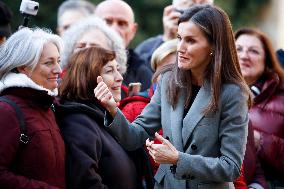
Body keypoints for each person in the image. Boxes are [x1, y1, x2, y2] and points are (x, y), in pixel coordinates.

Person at [94, 4, 251, 189]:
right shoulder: (169, 79)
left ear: (214, 46)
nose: (180, 48)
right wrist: (112, 109)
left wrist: (178, 159)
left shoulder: (233, 93)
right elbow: (134, 137)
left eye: (191, 41)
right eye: (179, 38)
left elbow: (231, 167)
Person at [55, 46, 137, 189]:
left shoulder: (102, 115)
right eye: (110, 71)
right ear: (88, 78)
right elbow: (85, 182)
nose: (120, 77)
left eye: (118, 69)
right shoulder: (77, 122)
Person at [0, 28, 65, 189]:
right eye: (49, 62)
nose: (58, 69)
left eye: (58, 61)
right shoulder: (6, 111)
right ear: (23, 67)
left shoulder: (49, 107)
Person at [235, 27, 284, 189]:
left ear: (267, 61)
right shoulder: (211, 92)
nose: (244, 56)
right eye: (238, 49)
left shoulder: (281, 97)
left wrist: (259, 140)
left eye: (254, 51)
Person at [135, 0, 214, 69]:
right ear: (171, 11)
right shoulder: (146, 49)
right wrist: (168, 39)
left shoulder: (220, 48)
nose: (196, 12)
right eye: (189, 4)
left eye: (203, 4)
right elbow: (148, 78)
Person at [95, 0, 153, 92]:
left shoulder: (143, 74)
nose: (113, 29)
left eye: (122, 23)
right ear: (92, 26)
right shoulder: (76, 65)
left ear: (133, 31)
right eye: (107, 22)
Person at [60, 16, 127, 76]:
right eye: (81, 46)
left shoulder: (118, 89)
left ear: (113, 56)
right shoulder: (55, 88)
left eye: (94, 47)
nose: (87, 51)